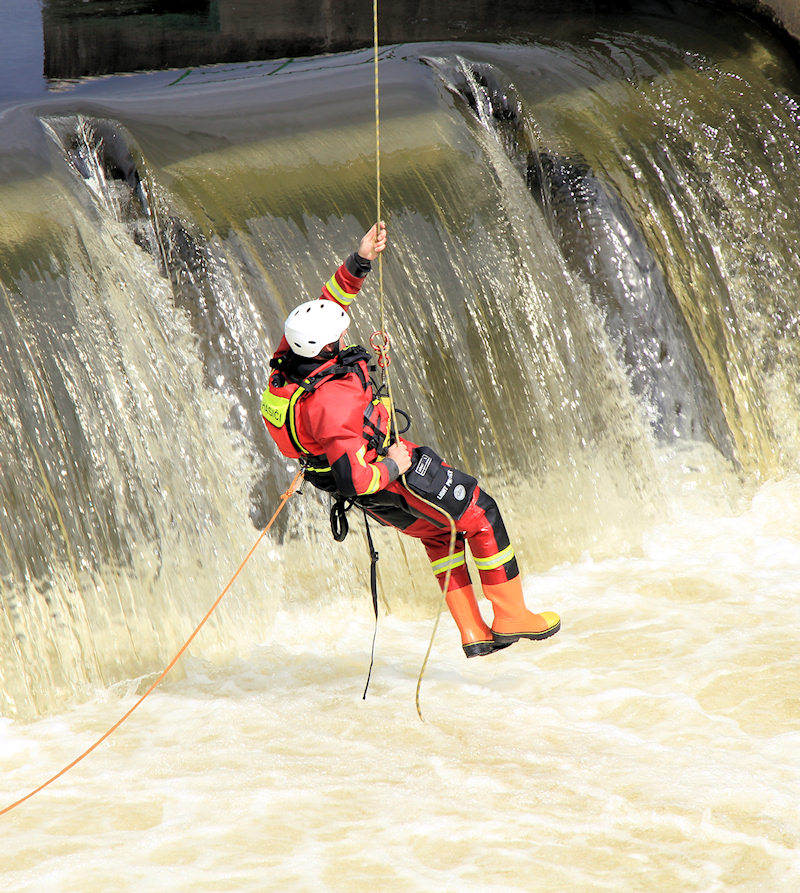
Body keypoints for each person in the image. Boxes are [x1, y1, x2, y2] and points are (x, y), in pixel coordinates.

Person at [261, 222, 560, 658]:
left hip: (360, 480)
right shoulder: (333, 402)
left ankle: (474, 632)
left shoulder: (286, 362)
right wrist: (397, 464)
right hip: (386, 475)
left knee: (440, 535)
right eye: (340, 337)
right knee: (479, 513)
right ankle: (512, 615)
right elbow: (355, 481)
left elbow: (328, 304)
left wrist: (361, 260)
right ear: (326, 349)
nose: (346, 335)